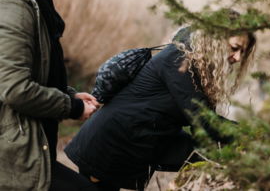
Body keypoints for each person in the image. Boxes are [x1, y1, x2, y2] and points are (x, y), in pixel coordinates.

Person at [65, 24, 256, 191]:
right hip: (111, 143)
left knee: (205, 154)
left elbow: (201, 128)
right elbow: (202, 119)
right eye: (234, 48)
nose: (238, 57)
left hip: (140, 137)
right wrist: (251, 135)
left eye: (243, 52)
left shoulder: (197, 64)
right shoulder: (179, 60)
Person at [0, 0, 99, 191]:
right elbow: (15, 89)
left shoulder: (32, 5)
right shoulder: (12, 7)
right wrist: (71, 108)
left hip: (24, 147)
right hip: (11, 154)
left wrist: (70, 95)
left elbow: (35, 75)